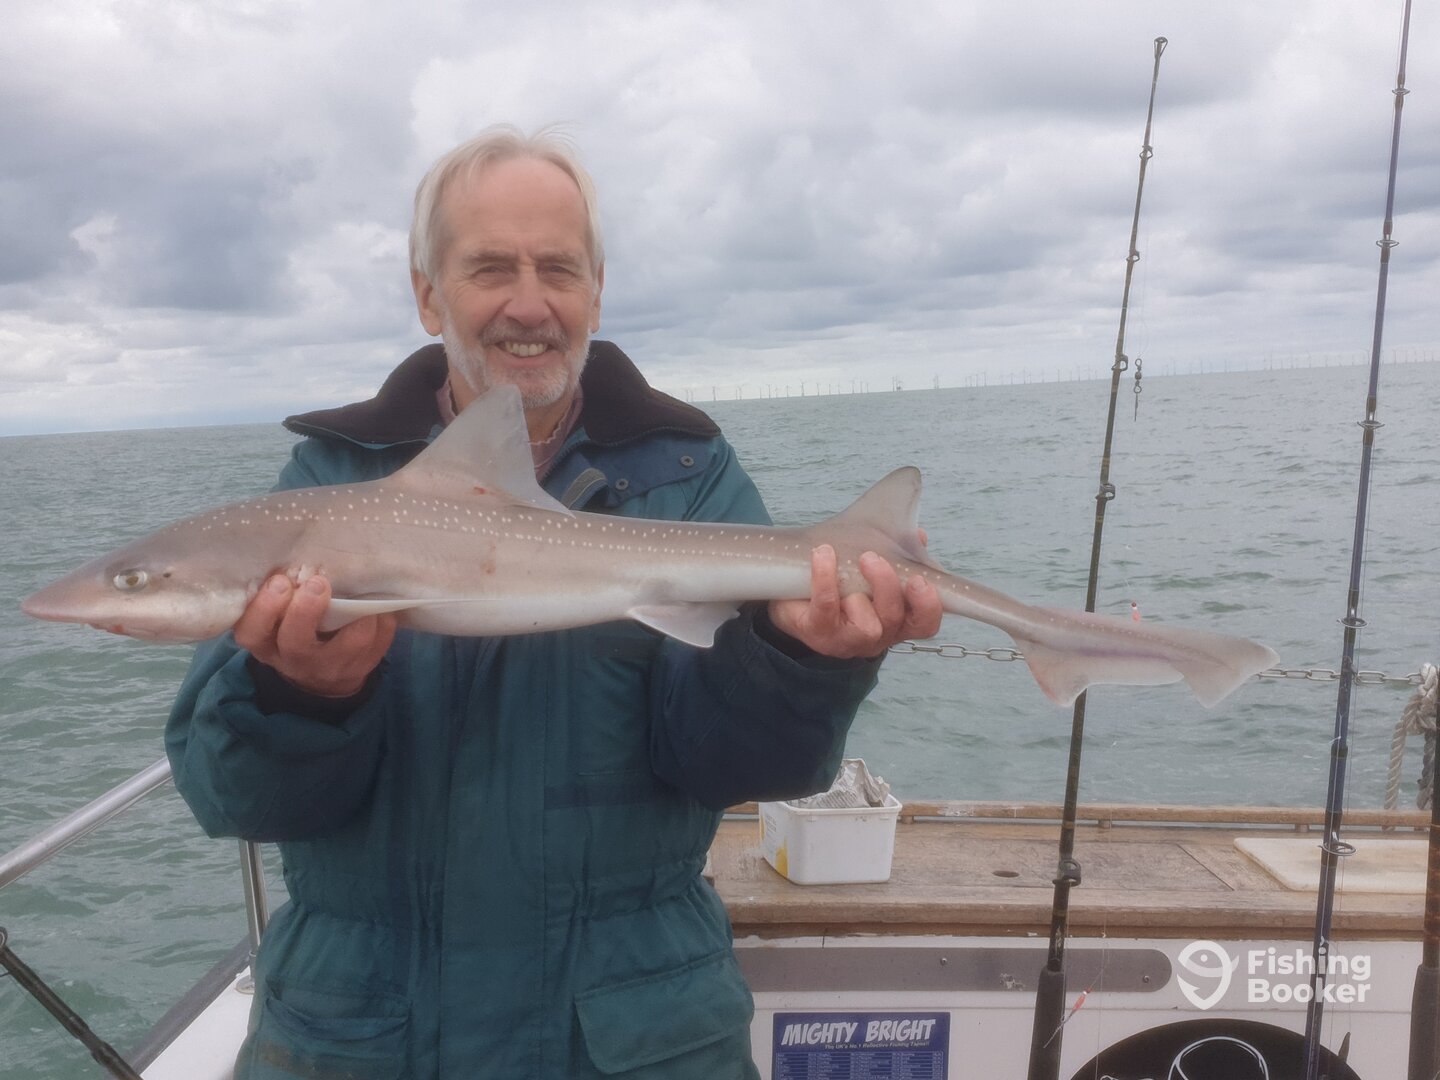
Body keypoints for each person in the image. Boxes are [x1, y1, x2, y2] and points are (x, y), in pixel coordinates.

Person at [166, 125, 942, 1080]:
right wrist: (301, 696)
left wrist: (800, 663)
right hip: (360, 1034)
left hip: (636, 1033)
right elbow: (235, 798)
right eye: (491, 268)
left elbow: (732, 765)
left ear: (596, 292)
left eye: (559, 270)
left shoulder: (689, 477)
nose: (529, 304)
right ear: (428, 295)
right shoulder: (330, 487)